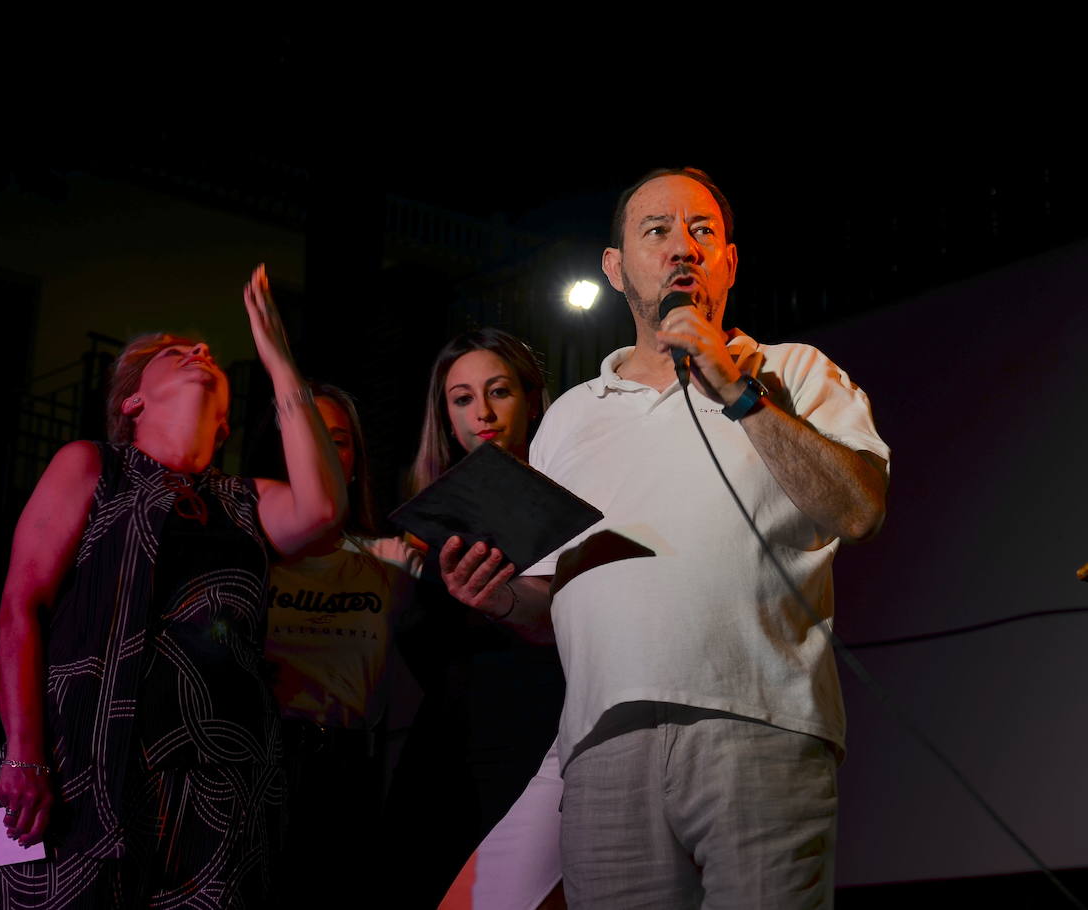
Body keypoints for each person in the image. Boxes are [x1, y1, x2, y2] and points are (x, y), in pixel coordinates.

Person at [438, 169, 889, 908]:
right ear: (615, 268)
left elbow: (860, 510)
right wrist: (499, 598)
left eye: (702, 231)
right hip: (603, 747)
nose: (683, 247)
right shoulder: (570, 418)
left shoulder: (794, 370)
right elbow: (551, 606)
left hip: (762, 728)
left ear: (730, 263)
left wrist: (739, 391)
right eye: (657, 231)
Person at [0, 265, 346, 908]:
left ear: (226, 424)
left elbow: (323, 510)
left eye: (206, 353)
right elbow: (22, 608)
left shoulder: (246, 501)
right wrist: (24, 756)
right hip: (77, 771)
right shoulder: (90, 465)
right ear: (132, 401)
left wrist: (278, 361)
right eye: (176, 354)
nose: (201, 352)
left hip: (220, 792)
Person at [382, 328, 566, 910]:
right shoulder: (421, 524)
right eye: (462, 399)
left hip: (540, 742)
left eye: (498, 392)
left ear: (531, 400)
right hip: (446, 760)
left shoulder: (569, 496)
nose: (481, 413)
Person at [258, 382, 422, 908]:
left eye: (340, 441)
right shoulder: (251, 555)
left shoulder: (388, 556)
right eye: (313, 439)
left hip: (347, 775)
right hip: (258, 763)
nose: (329, 454)